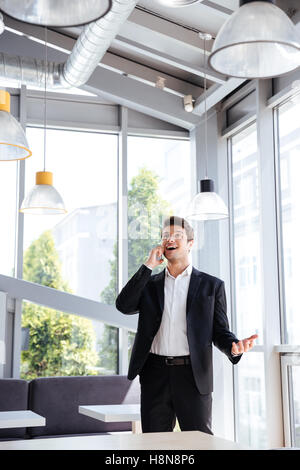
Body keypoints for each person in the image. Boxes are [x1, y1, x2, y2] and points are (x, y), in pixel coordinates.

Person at [116, 215, 258, 434]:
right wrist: (148, 265)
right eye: (165, 236)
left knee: (199, 441)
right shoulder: (149, 285)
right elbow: (124, 305)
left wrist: (233, 346)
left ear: (191, 243)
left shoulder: (211, 286)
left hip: (193, 374)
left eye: (177, 235)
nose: (169, 239)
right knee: (155, 444)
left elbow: (220, 330)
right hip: (154, 373)